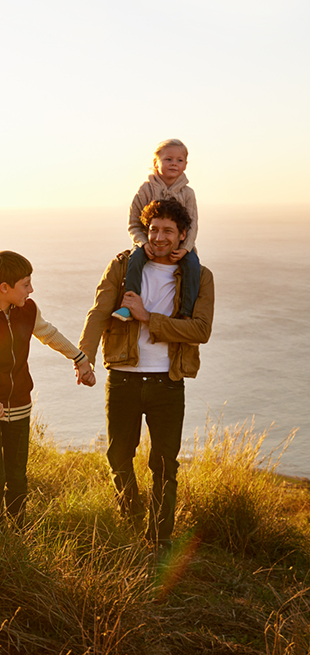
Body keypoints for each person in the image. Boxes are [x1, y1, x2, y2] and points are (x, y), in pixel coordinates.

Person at [79, 198, 213, 554]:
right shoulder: (123, 266)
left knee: (165, 464)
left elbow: (200, 329)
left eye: (168, 230)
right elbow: (98, 313)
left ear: (182, 234)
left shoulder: (200, 276)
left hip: (167, 381)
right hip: (122, 377)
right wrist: (84, 358)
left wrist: (146, 317)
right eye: (154, 229)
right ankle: (132, 517)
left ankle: (160, 538)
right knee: (118, 456)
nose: (159, 237)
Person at [0, 250, 96, 525]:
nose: (31, 289)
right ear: (5, 288)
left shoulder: (28, 309)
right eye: (26, 284)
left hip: (19, 403)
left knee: (17, 476)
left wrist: (80, 359)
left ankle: (17, 535)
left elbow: (48, 334)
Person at [114, 139, 201, 322]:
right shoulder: (145, 190)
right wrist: (143, 243)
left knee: (193, 265)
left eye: (179, 160)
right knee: (135, 259)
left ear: (185, 164)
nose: (173, 164)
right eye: (168, 159)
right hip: (149, 243)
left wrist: (186, 248)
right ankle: (128, 305)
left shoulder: (188, 194)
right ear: (156, 163)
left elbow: (192, 225)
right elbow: (133, 223)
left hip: (180, 245)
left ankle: (186, 312)